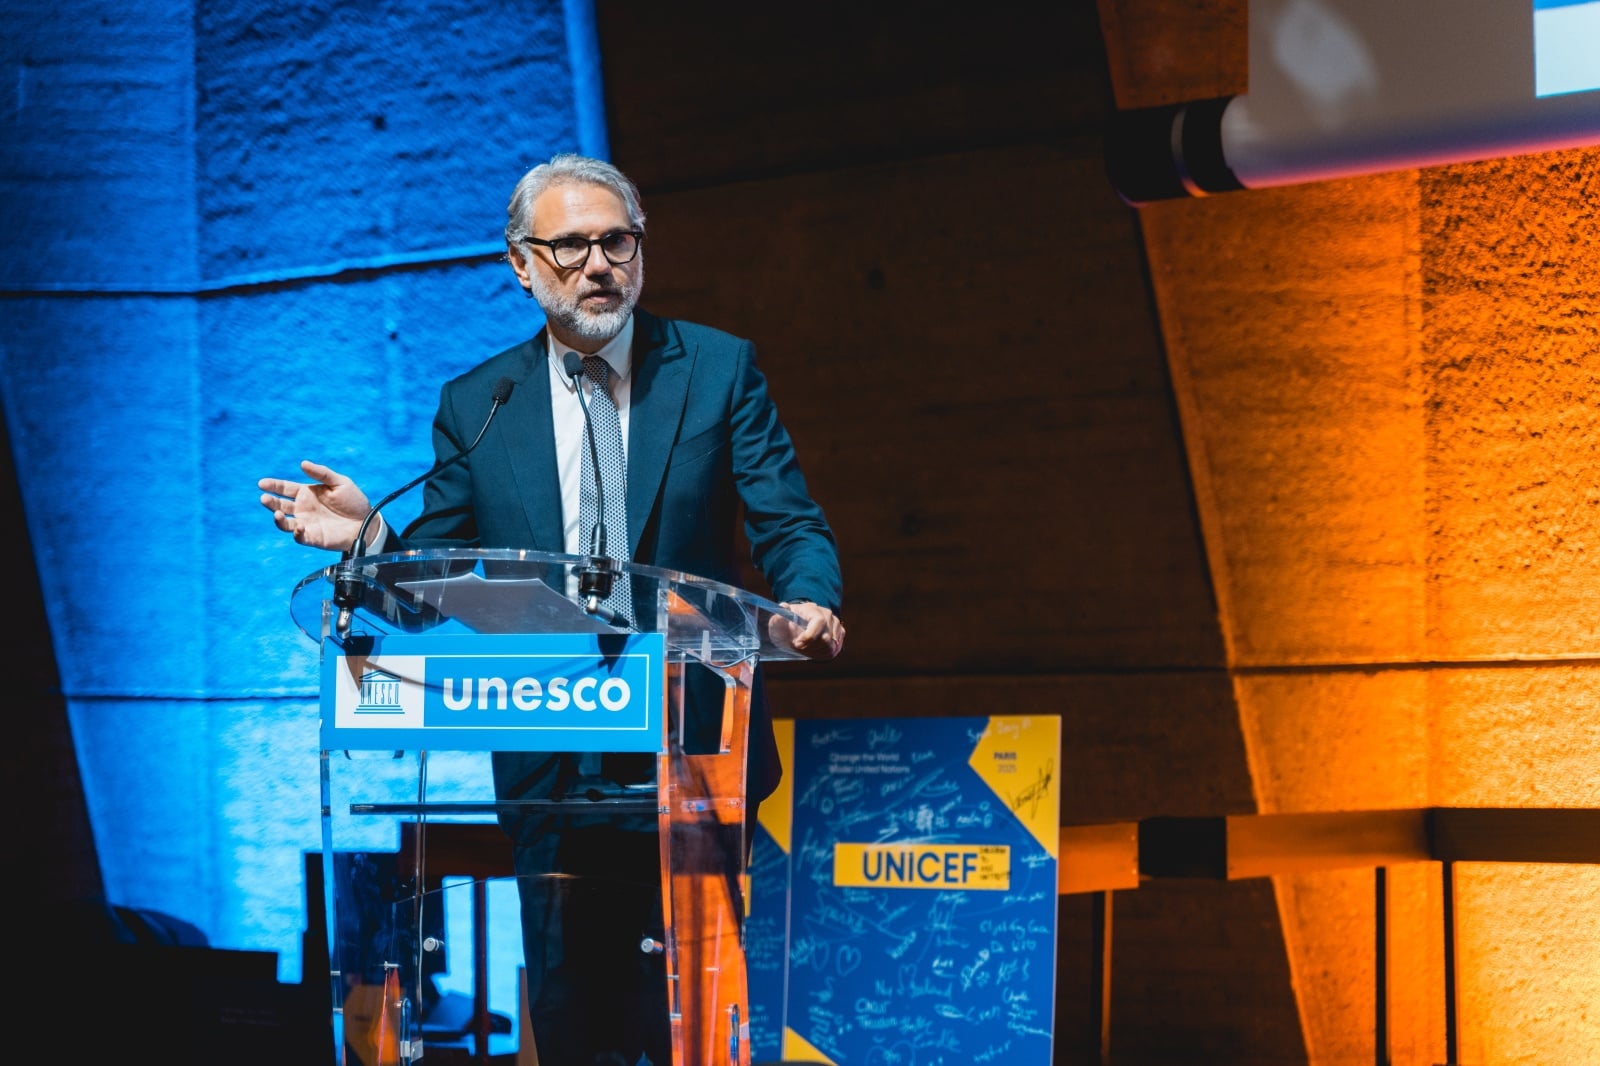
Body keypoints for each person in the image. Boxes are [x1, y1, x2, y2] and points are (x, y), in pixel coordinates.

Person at [258, 153, 844, 1065]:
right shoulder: (480, 404)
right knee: (578, 1030)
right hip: (550, 766)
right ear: (521, 265)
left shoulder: (718, 370)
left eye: (617, 241)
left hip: (691, 755)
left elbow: (786, 517)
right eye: (569, 247)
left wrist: (808, 596)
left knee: (698, 1028)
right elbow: (435, 582)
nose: (599, 264)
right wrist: (373, 539)